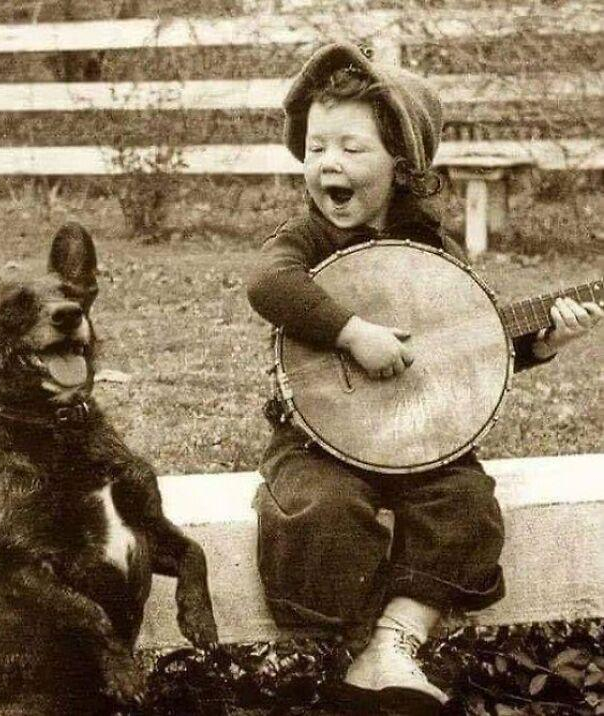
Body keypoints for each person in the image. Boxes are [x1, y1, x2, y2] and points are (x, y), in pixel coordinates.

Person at [246, 42, 603, 714]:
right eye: (317, 147)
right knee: (321, 509)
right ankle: (349, 652)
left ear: (403, 165)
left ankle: (394, 642)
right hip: (319, 436)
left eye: (351, 149)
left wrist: (545, 341)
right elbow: (268, 285)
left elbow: (460, 347)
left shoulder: (434, 251)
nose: (328, 163)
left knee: (465, 502)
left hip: (418, 434)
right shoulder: (305, 239)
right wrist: (353, 332)